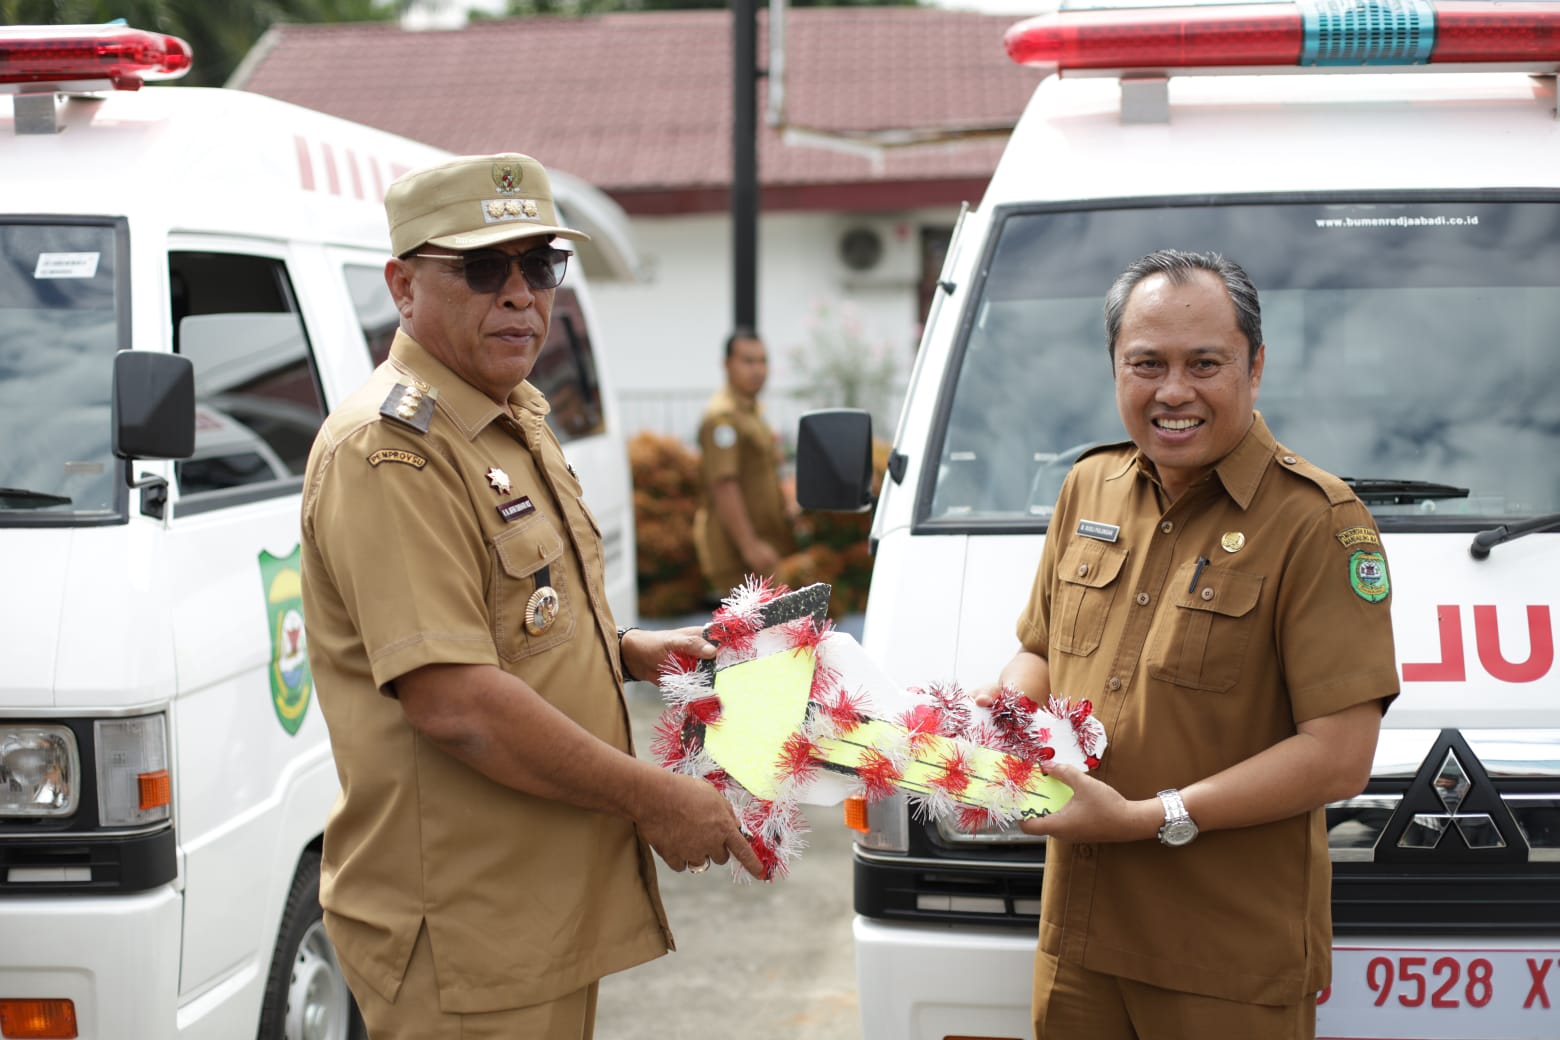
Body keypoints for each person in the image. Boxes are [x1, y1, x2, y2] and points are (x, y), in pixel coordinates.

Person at [299, 152, 763, 1040]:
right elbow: (457, 704)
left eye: (539, 264)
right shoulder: (390, 451)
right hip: (464, 926)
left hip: (534, 909)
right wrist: (655, 798)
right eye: (482, 268)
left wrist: (624, 651)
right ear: (402, 287)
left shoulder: (510, 413)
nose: (520, 294)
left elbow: (514, 619)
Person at [984, 249, 1397, 1039]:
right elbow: (1040, 652)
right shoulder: (1090, 486)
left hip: (1226, 964)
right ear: (1115, 368)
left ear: (1255, 367)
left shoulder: (1318, 522)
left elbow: (1341, 754)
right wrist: (1003, 714)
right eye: (1148, 364)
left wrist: (1148, 817)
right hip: (1078, 946)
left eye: (1204, 363)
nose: (1174, 391)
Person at [692, 329, 797, 600]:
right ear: (727, 364)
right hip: (740, 554)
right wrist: (750, 547)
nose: (758, 369)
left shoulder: (751, 412)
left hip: (763, 546)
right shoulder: (723, 417)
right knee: (769, 635)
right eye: (748, 361)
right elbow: (724, 484)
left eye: (762, 361)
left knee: (776, 635)